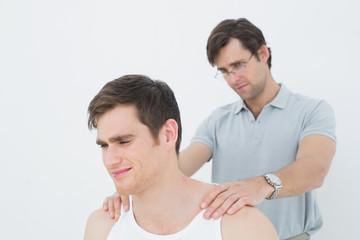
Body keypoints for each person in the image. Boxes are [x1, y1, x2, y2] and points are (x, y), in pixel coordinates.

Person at [102, 18, 336, 240]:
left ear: (263, 54)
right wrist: (132, 184)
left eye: (238, 65)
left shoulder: (312, 111)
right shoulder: (218, 121)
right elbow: (176, 166)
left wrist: (260, 186)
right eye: (223, 70)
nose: (233, 78)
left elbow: (315, 169)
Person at [84, 75, 279, 240]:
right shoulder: (102, 228)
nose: (110, 161)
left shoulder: (242, 228)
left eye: (124, 141)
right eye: (104, 145)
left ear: (168, 134)